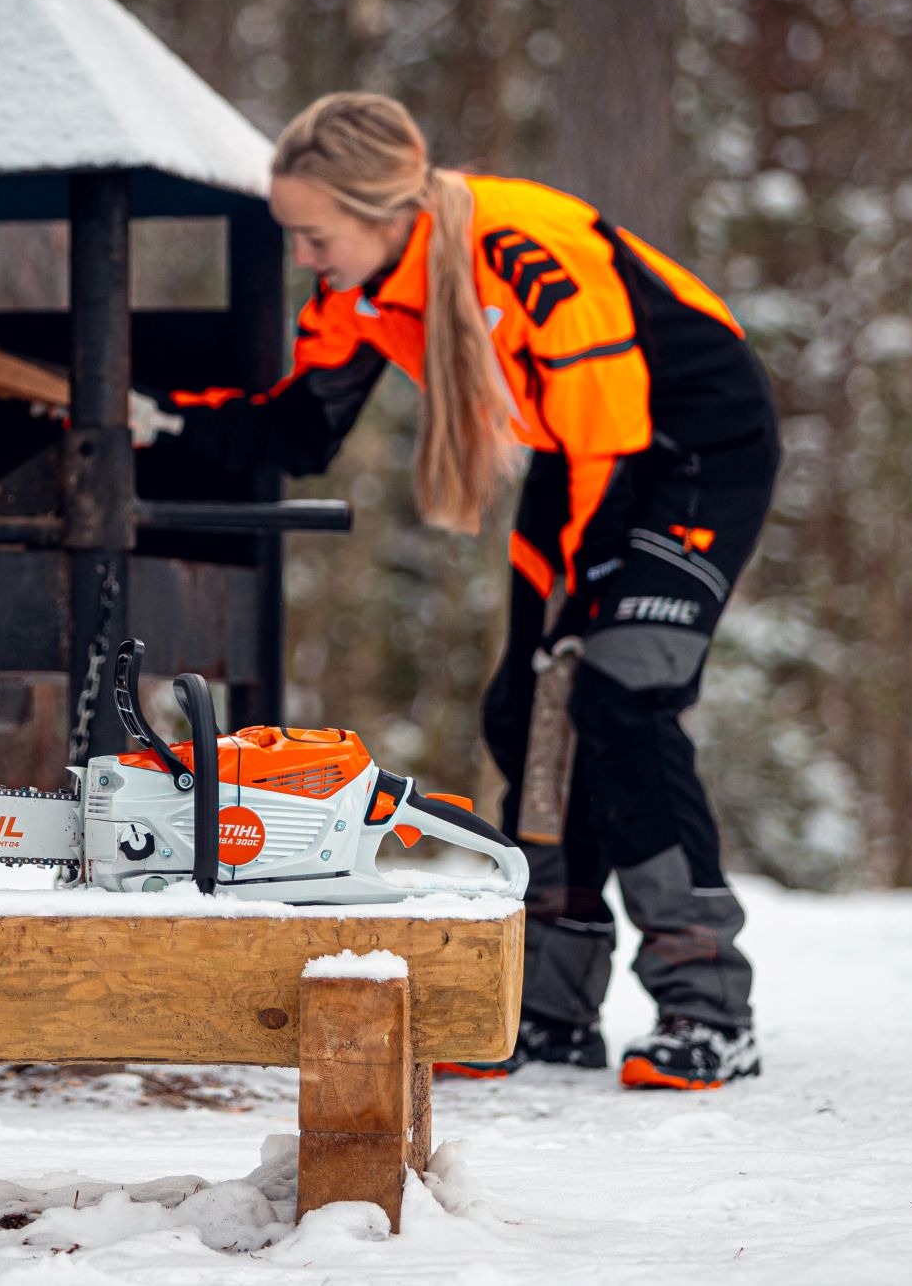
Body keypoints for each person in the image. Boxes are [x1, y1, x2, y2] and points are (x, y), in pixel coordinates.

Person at [159, 92, 778, 1090]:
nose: (304, 257)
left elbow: (613, 444)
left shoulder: (527, 255)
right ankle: (552, 1007)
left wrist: (584, 602)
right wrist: (153, 422)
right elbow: (298, 429)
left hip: (691, 454)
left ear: (380, 212)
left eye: (315, 236)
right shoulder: (357, 287)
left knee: (617, 700)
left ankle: (709, 1003)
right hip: (580, 457)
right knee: (524, 712)